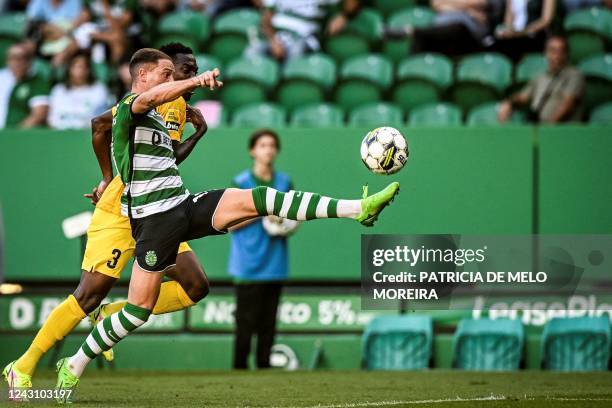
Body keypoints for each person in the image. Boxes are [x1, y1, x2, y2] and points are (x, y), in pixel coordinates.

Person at [53, 47, 399, 402]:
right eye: (166, 73)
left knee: (260, 197)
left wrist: (193, 127)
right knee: (138, 311)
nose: (172, 80)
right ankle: (75, 363)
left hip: (182, 206)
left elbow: (169, 145)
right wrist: (195, 80)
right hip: (152, 223)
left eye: (175, 74)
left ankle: (358, 208)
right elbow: (145, 100)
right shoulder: (130, 107)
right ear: (141, 76)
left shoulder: (160, 119)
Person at [2, 43, 210, 402]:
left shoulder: (177, 106)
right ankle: (23, 365)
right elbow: (99, 123)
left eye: (194, 70)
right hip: (120, 211)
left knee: (195, 286)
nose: (190, 77)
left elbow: (169, 159)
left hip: (157, 210)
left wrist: (197, 133)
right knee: (87, 294)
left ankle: (112, 314)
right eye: (184, 71)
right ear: (166, 73)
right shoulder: (150, 99)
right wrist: (106, 177)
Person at [229, 129, 297, 369]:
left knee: (269, 323)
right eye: (262, 145)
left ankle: (264, 368)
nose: (267, 150)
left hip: (275, 262)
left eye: (271, 145)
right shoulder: (240, 183)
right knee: (245, 324)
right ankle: (239, 369)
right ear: (252, 151)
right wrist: (262, 211)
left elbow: (293, 218)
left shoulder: (284, 182)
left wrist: (286, 224)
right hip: (247, 264)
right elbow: (230, 223)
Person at [498, 36, 585, 124]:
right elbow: (522, 97)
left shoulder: (574, 75)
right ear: (546, 53)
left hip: (561, 131)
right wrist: (509, 103)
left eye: (561, 51)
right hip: (538, 129)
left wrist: (548, 127)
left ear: (566, 54)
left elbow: (567, 105)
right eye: (552, 50)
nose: (557, 55)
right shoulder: (539, 76)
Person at [249, 0, 360, 61]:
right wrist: (272, 40)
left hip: (304, 37)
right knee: (254, 50)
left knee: (296, 50)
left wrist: (343, 16)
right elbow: (266, 19)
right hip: (277, 37)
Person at [48, 51, 111, 129]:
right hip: (61, 133)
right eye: (77, 67)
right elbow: (53, 118)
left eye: (84, 67)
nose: (81, 71)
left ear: (88, 70)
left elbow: (99, 117)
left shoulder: (99, 89)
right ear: (69, 69)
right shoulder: (59, 90)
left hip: (87, 134)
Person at [0, 44, 50, 129]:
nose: (16, 63)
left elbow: (39, 114)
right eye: (12, 58)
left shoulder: (37, 82)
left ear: (29, 62)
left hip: (17, 136)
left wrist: (15, 134)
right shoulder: (2, 78)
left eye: (20, 58)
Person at [489, 0, 556, 62]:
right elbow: (508, 19)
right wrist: (507, 32)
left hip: (535, 35)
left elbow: (546, 20)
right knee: (492, 44)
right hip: (514, 36)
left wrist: (522, 32)